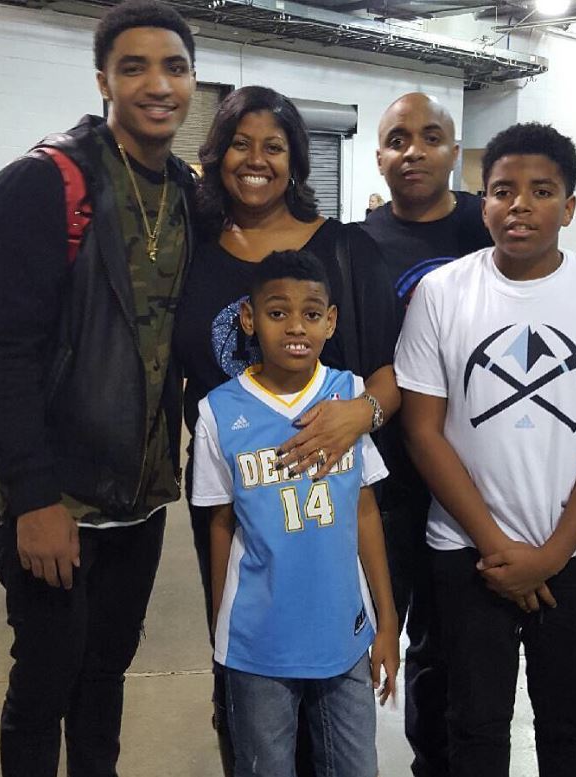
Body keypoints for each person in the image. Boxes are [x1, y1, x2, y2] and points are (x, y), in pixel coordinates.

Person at [361, 92, 576, 777]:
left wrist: (551, 553)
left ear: (568, 206)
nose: (519, 205)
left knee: (572, 726)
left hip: (575, 549)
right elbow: (425, 431)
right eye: (503, 191)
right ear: (479, 202)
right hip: (463, 550)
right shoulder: (440, 292)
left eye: (541, 192)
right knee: (471, 727)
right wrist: (496, 545)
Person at [0, 2, 196, 775]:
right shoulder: (43, 181)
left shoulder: (185, 193)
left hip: (141, 495)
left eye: (174, 66)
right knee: (44, 682)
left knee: (104, 678)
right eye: (134, 67)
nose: (156, 84)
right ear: (103, 80)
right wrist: (33, 499)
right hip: (56, 497)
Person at [172, 85, 399, 775]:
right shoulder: (193, 245)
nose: (255, 159)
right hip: (240, 484)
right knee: (251, 710)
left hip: (331, 486)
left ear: (295, 159)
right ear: (216, 154)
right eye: (240, 142)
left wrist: (360, 413)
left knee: (334, 724)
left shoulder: (344, 249)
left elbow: (395, 367)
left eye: (273, 145)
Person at [191, 249, 399, 777]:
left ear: (331, 322)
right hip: (258, 643)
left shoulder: (348, 394)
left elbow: (365, 511)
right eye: (277, 312)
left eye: (311, 313)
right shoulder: (219, 411)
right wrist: (223, 625)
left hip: (345, 634)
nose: (295, 327)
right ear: (248, 318)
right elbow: (220, 523)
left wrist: (387, 620)